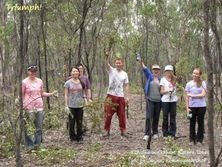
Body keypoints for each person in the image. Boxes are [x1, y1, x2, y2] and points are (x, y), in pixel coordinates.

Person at [22, 65, 57, 150]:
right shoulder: (24, 82)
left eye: (34, 71)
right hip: (28, 107)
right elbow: (21, 95)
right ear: (28, 71)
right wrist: (21, 106)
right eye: (31, 71)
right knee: (29, 128)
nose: (33, 73)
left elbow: (42, 93)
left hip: (39, 107)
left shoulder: (39, 81)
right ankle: (30, 145)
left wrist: (51, 94)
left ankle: (37, 145)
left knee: (39, 127)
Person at [103, 50, 129, 137]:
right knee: (108, 114)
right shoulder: (111, 71)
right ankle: (106, 131)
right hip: (111, 96)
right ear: (115, 64)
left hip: (120, 97)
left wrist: (127, 97)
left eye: (119, 63)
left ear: (122, 64)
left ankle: (123, 131)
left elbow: (126, 86)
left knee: (122, 115)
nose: (118, 64)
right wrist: (106, 56)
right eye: (117, 63)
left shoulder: (125, 74)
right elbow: (106, 64)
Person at [138, 59, 162, 141]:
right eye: (154, 69)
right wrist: (141, 61)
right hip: (150, 100)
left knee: (156, 117)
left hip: (159, 101)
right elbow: (144, 68)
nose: (156, 71)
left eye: (157, 70)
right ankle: (147, 134)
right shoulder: (150, 76)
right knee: (149, 117)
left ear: (159, 71)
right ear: (152, 70)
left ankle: (155, 132)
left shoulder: (161, 79)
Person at [64, 67, 87, 143]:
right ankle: (72, 137)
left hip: (80, 105)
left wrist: (86, 100)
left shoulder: (82, 82)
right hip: (71, 106)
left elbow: (83, 93)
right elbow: (66, 95)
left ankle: (79, 137)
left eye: (76, 71)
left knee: (79, 122)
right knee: (72, 122)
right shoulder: (68, 83)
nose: (75, 72)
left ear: (79, 73)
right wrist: (66, 105)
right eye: (73, 71)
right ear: (71, 73)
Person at [185, 68, 206, 145]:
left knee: (200, 122)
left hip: (201, 106)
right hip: (191, 107)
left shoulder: (203, 83)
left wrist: (192, 95)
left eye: (197, 73)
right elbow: (187, 97)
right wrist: (187, 108)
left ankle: (199, 140)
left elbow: (203, 95)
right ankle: (191, 139)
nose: (195, 75)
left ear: (200, 75)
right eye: (194, 73)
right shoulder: (188, 84)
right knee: (192, 122)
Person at [160, 65, 178, 138]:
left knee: (173, 117)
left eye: (170, 71)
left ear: (172, 72)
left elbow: (178, 89)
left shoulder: (175, 79)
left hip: (173, 100)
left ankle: (172, 133)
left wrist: (175, 88)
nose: (168, 72)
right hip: (165, 101)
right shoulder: (163, 80)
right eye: (167, 71)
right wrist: (168, 90)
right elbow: (161, 91)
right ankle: (165, 133)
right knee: (165, 117)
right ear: (165, 72)